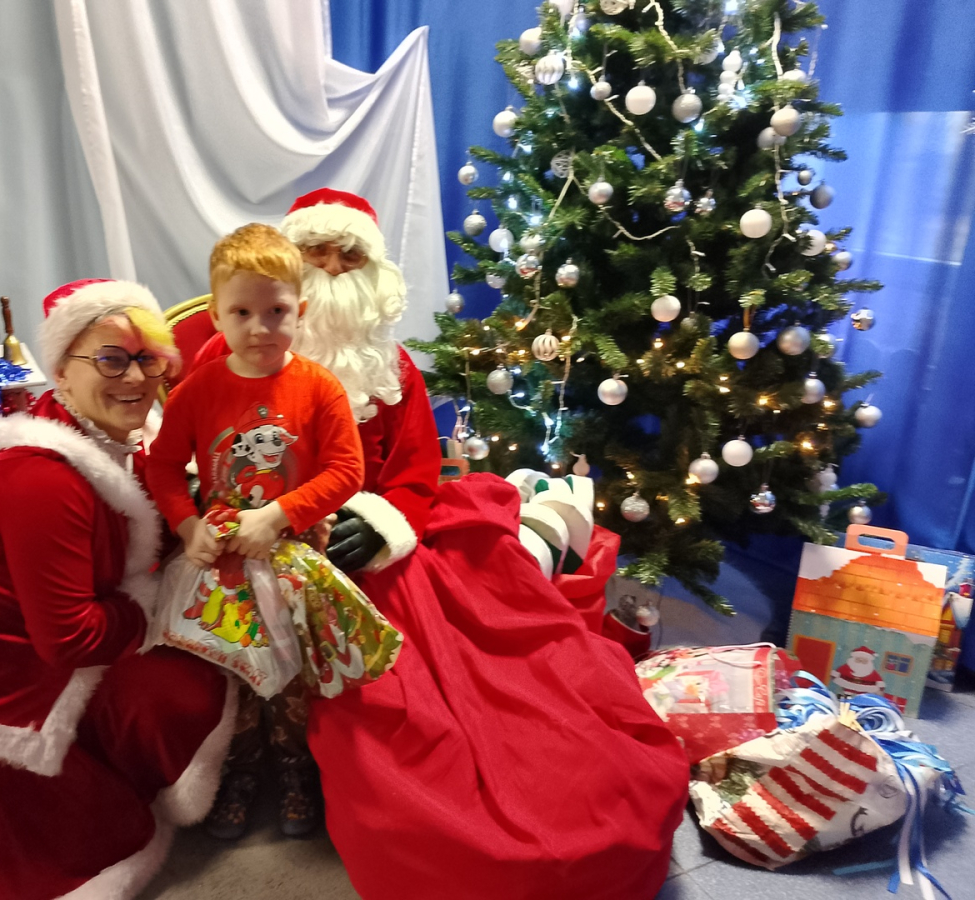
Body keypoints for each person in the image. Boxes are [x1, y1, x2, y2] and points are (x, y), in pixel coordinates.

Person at [194, 189, 690, 900]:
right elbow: (197, 449)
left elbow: (416, 473)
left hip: (365, 546)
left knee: (476, 667)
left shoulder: (390, 366)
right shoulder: (231, 350)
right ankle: (259, 763)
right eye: (316, 254)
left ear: (372, 270)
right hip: (260, 536)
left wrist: (383, 522)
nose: (332, 269)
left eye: (348, 256)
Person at [0, 279, 236, 900]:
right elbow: (70, 639)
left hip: (49, 663)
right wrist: (152, 605)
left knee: (185, 688)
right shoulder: (43, 480)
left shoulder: (123, 445)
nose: (135, 377)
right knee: (83, 850)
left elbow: (137, 545)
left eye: (148, 359)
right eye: (110, 359)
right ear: (60, 372)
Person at [147, 223, 364, 839]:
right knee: (232, 671)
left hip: (294, 554)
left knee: (291, 670)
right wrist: (187, 523)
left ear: (301, 310)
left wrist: (280, 514)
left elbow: (347, 469)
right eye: (241, 313)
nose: (260, 328)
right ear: (216, 315)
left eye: (276, 312)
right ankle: (240, 771)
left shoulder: (318, 387)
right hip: (222, 560)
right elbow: (162, 465)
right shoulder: (198, 390)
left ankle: (296, 769)